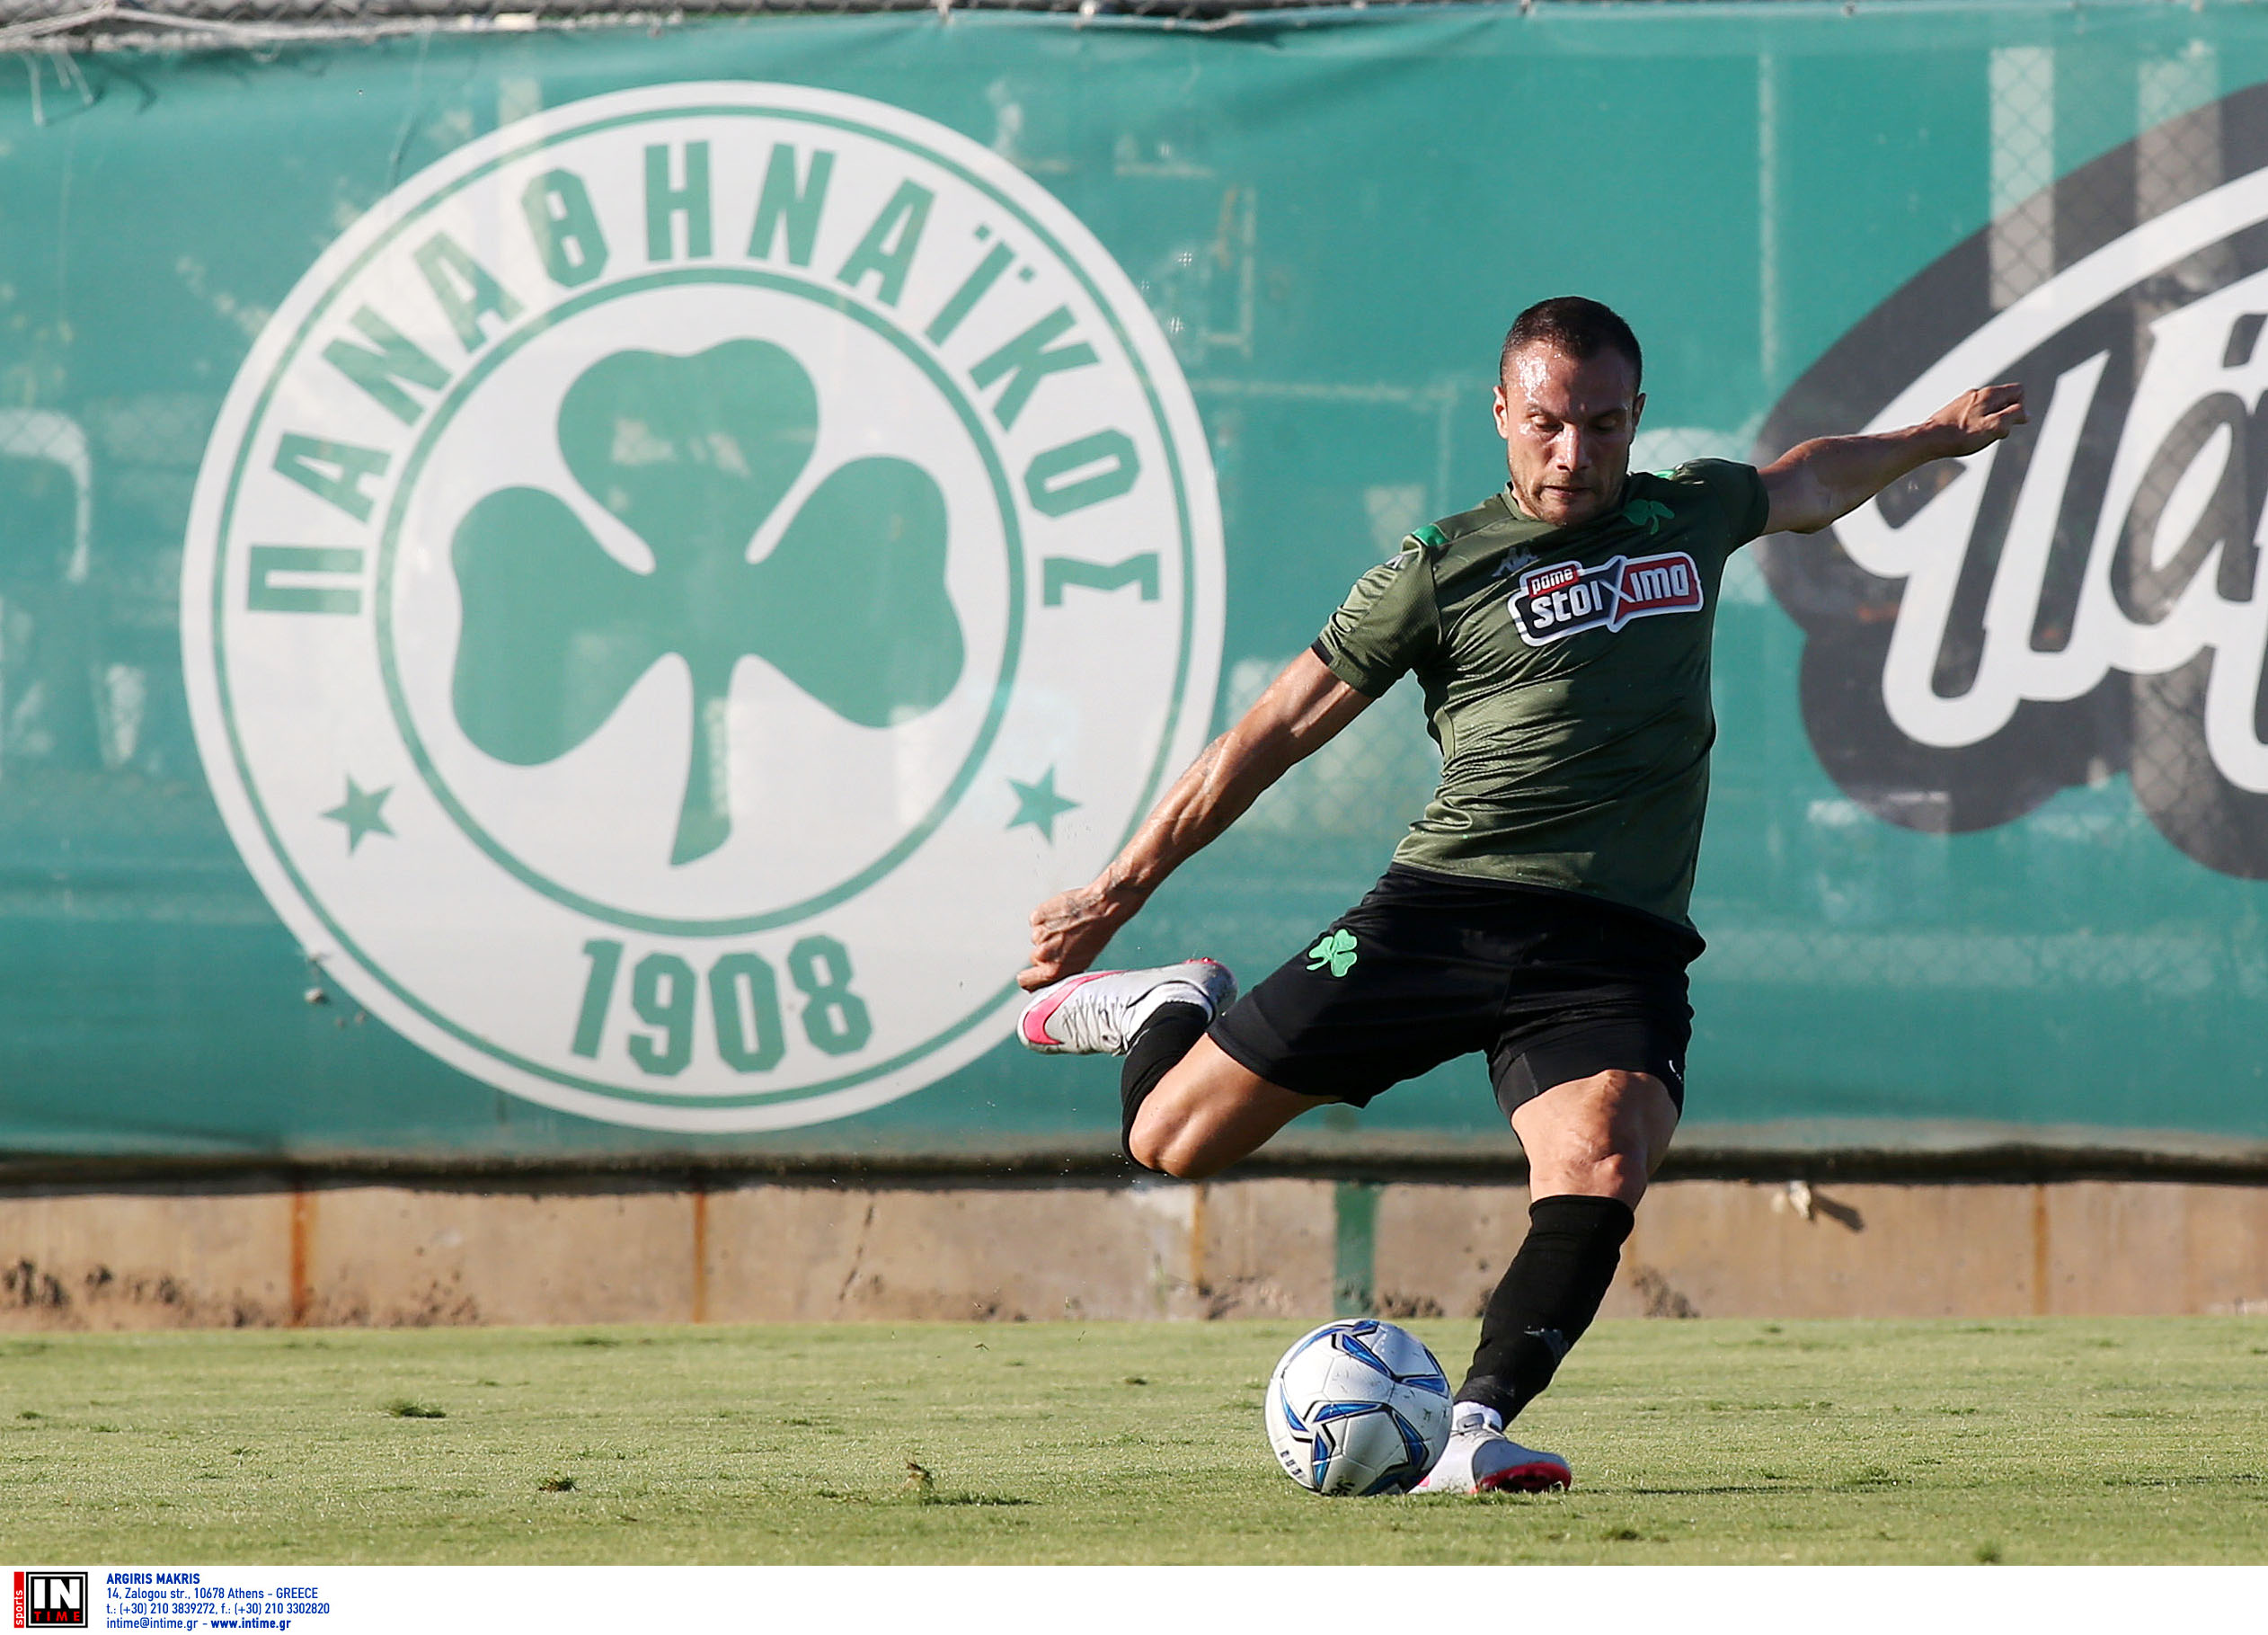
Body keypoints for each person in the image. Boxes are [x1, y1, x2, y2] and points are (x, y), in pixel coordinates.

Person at [1015, 295, 2025, 1494]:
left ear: (1635, 418)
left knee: (1605, 1154)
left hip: (1615, 941)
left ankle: (1472, 1432)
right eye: (1547, 422)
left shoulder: (1686, 511)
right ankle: (1168, 1005)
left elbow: (1805, 481)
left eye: (1603, 426)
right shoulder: (1440, 567)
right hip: (1443, 912)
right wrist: (1123, 885)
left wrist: (1929, 437)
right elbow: (1275, 728)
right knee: (1167, 1141)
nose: (1574, 453)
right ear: (1501, 412)